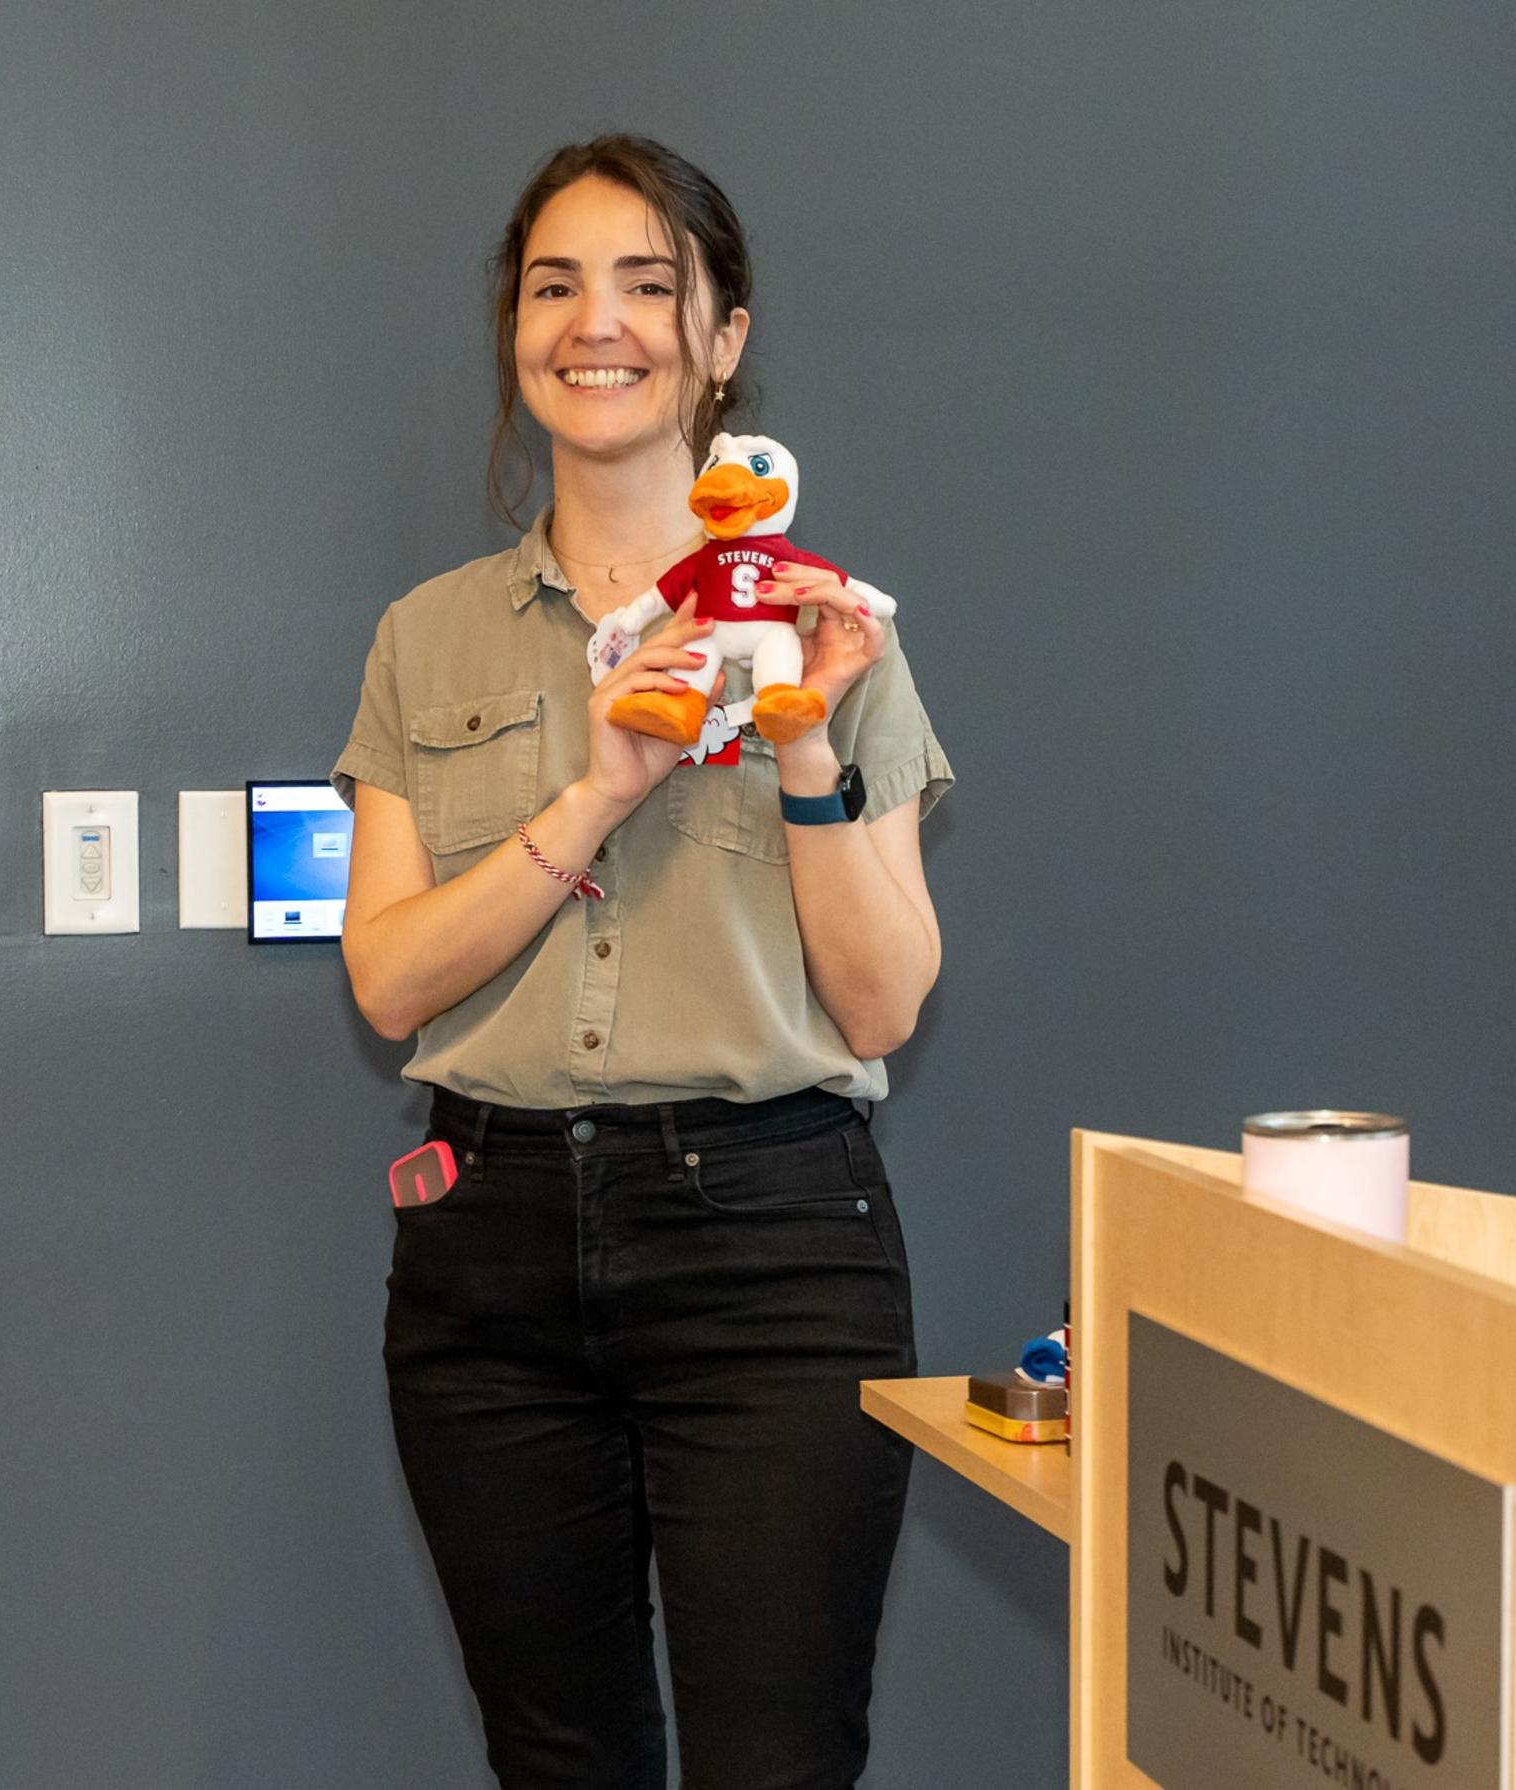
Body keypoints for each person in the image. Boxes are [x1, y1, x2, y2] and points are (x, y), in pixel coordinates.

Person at [331, 134, 952, 1790]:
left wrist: (807, 746)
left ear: (724, 335)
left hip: (771, 1246)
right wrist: (603, 785)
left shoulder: (833, 628)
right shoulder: (427, 636)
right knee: (561, 1759)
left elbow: (885, 1000)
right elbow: (388, 983)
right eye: (555, 284)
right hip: (490, 1253)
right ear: (514, 329)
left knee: (775, 1760)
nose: (595, 323)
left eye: (647, 282)